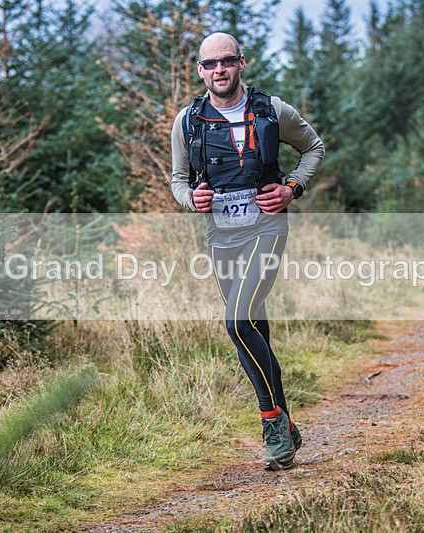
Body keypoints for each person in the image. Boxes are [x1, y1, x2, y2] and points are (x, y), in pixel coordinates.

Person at [170, 32, 324, 470]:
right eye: (209, 64)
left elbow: (314, 148)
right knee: (253, 326)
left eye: (227, 61)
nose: (219, 70)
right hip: (222, 238)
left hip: (266, 229)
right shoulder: (188, 121)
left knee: (237, 322)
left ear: (242, 63)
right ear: (200, 70)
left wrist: (292, 188)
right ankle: (287, 422)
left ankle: (272, 423)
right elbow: (179, 181)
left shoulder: (272, 111)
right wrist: (190, 200)